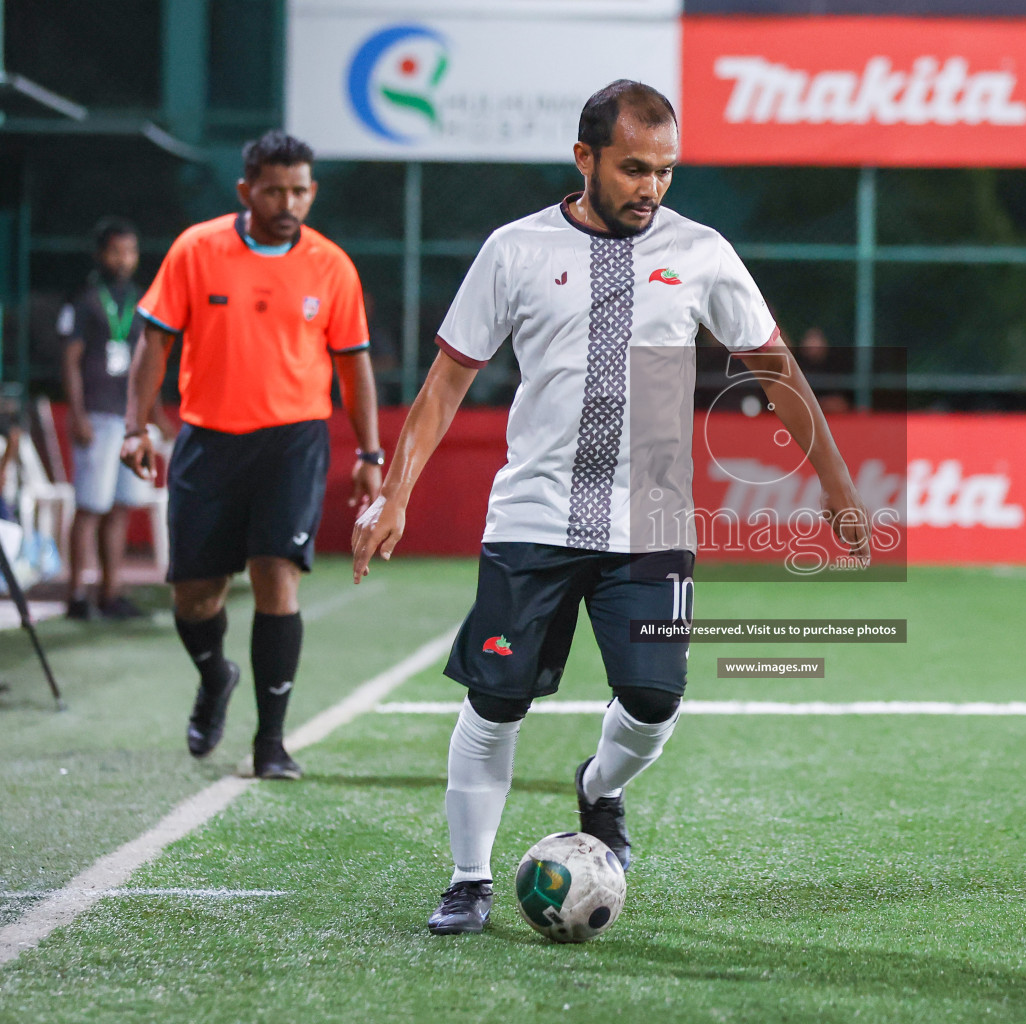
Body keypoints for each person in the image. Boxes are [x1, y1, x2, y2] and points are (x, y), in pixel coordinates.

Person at [350, 80, 870, 936]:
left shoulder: (701, 251)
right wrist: (395, 493)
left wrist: (839, 486)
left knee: (655, 700)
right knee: (497, 699)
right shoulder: (514, 250)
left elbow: (774, 368)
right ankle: (470, 879)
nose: (651, 187)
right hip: (531, 519)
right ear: (585, 158)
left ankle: (599, 786)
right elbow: (448, 382)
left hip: (653, 519)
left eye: (665, 171)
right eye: (633, 168)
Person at [122, 130, 384, 780]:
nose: (288, 201)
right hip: (207, 442)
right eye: (274, 190)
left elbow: (354, 368)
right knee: (195, 596)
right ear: (246, 190)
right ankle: (216, 676)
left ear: (311, 191)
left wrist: (371, 451)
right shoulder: (196, 249)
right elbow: (152, 345)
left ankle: (271, 743)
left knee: (276, 575)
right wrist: (136, 427)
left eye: (299, 190)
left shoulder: (332, 265)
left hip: (292, 441)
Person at [57, 218, 162, 620]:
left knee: (121, 506)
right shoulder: (84, 300)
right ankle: (75, 595)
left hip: (129, 419)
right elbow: (70, 361)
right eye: (116, 251)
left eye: (130, 251)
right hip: (97, 416)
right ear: (101, 254)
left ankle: (110, 591)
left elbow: (146, 363)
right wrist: (77, 413)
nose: (124, 259)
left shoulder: (140, 300)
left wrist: (151, 415)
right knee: (90, 506)